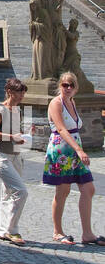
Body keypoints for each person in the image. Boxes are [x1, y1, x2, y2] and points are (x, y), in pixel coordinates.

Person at [43, 72, 104, 245]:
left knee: (88, 189)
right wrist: (79, 150)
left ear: (76, 87)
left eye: (71, 85)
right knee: (63, 191)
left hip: (75, 151)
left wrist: (78, 150)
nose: (68, 88)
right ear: (60, 86)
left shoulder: (72, 102)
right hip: (61, 151)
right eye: (65, 85)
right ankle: (57, 231)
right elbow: (61, 129)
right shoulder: (56, 103)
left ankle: (87, 234)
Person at [0, 78, 30, 246]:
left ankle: (3, 230)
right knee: (21, 191)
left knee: (7, 194)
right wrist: (13, 137)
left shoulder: (17, 110)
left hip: (16, 156)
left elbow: (14, 132)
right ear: (10, 92)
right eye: (19, 92)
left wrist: (23, 135)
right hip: (2, 156)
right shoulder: (0, 109)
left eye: (23, 92)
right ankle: (12, 230)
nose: (22, 95)